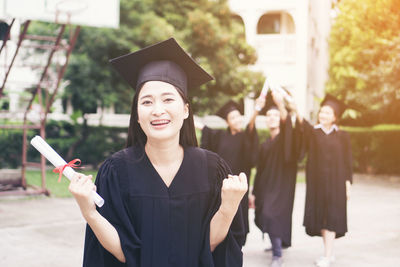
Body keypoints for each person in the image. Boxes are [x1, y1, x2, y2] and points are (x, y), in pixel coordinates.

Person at [68, 38, 248, 267]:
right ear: (136, 115)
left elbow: (210, 247)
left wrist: (229, 207)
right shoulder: (116, 172)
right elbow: (122, 253)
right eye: (146, 102)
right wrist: (89, 212)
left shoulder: (212, 170)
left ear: (185, 110)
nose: (157, 110)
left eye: (168, 99)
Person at [195, 97, 264, 244]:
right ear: (227, 122)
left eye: (238, 116)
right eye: (233, 117)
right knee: (221, 216)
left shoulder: (245, 136)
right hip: (222, 186)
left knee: (239, 217)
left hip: (239, 186)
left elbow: (251, 126)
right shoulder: (220, 136)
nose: (237, 119)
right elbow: (206, 130)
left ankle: (237, 245)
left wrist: (256, 111)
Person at [296, 94, 353, 267]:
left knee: (331, 218)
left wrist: (348, 185)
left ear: (335, 117)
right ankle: (329, 253)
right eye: (322, 112)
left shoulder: (343, 136)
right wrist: (294, 106)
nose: (323, 115)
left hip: (336, 184)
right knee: (322, 217)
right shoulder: (313, 133)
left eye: (328, 113)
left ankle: (327, 256)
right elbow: (301, 122)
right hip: (318, 185)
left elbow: (348, 162)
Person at [249, 90, 300, 267]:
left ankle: (277, 255)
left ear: (280, 119)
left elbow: (288, 126)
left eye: (275, 115)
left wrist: (280, 104)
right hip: (266, 187)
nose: (271, 118)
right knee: (265, 214)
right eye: (268, 115)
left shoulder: (285, 139)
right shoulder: (265, 145)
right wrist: (254, 193)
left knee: (272, 215)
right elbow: (260, 170)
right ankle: (277, 244)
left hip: (282, 186)